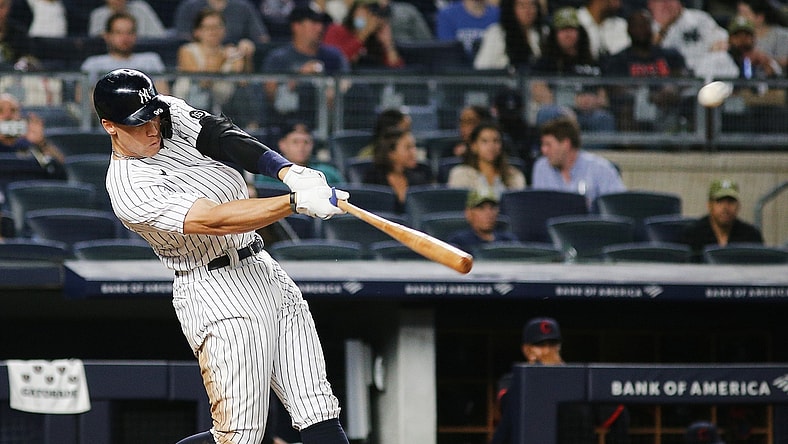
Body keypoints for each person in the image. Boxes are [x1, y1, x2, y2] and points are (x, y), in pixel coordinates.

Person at [92, 68, 351, 444]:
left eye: (153, 116)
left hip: (263, 269)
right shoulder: (129, 188)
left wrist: (287, 171)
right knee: (240, 435)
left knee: (319, 412)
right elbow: (215, 219)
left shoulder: (165, 115)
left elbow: (221, 135)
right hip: (214, 290)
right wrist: (294, 202)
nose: (152, 127)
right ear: (109, 126)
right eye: (138, 123)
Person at [491, 316, 629, 444]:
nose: (548, 351)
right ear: (527, 350)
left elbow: (618, 413)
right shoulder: (513, 380)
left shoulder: (578, 379)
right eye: (541, 345)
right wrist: (547, 372)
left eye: (552, 344)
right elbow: (510, 406)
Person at [260, 4, 350, 132]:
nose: (320, 28)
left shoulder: (334, 56)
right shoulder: (278, 58)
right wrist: (299, 77)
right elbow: (270, 94)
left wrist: (334, 88)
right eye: (313, 23)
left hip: (326, 122)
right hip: (287, 123)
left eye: (321, 23)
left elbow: (348, 81)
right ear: (296, 26)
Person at [530, 7, 616, 137]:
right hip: (560, 113)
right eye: (563, 30)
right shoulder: (545, 63)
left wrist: (594, 102)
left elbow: (604, 99)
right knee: (547, 113)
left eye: (572, 29)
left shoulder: (592, 61)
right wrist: (572, 102)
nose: (568, 34)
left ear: (579, 32)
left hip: (589, 114)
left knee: (604, 118)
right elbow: (539, 93)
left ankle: (597, 156)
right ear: (554, 34)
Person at [602, 9, 690, 133]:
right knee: (628, 109)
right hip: (633, 111)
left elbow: (684, 77)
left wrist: (672, 88)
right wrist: (645, 96)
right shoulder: (618, 60)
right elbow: (614, 87)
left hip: (669, 107)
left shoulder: (670, 55)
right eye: (636, 26)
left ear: (652, 27)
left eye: (645, 24)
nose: (641, 29)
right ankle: (633, 150)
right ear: (628, 30)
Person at [174, 8, 256, 119]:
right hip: (190, 109)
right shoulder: (187, 51)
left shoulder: (231, 52)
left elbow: (244, 83)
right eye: (208, 28)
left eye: (218, 27)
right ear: (197, 32)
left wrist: (246, 56)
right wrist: (222, 57)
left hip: (222, 111)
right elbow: (203, 81)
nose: (214, 31)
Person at [532, 116, 625, 209]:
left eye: (548, 145)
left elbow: (618, 207)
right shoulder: (541, 167)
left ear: (566, 144)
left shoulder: (602, 169)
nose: (544, 150)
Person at [680, 178, 763, 262]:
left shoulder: (751, 236)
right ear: (709, 205)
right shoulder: (692, 235)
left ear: (738, 205)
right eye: (719, 201)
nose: (725, 208)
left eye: (730, 201)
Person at [80, 12, 168, 90]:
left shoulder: (151, 61)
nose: (125, 38)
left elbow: (162, 96)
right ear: (107, 36)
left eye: (129, 32)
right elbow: (83, 99)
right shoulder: (93, 64)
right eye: (119, 32)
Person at [362, 127, 433, 213]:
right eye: (408, 148)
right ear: (391, 153)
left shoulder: (420, 178)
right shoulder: (372, 179)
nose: (414, 152)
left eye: (414, 147)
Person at [446, 121, 525, 199]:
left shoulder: (514, 175)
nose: (491, 146)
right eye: (485, 141)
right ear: (474, 146)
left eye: (496, 141)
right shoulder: (460, 174)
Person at [647, 0, 728, 75]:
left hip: (705, 67)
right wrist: (666, 26)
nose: (666, 5)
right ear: (650, 5)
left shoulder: (699, 18)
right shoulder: (647, 25)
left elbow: (722, 39)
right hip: (674, 73)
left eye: (669, 0)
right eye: (660, 2)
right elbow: (650, 50)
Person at [256, 122, 345, 187]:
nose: (301, 147)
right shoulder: (269, 174)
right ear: (282, 144)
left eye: (306, 142)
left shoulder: (329, 174)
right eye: (295, 142)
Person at [322, 0, 405, 69]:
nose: (369, 16)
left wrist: (388, 45)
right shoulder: (336, 30)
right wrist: (363, 35)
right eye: (366, 10)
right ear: (355, 9)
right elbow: (333, 62)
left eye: (373, 13)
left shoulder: (376, 39)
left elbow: (398, 74)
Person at [0, 92, 66, 179]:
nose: (7, 116)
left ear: (20, 116)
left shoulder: (32, 146)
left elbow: (60, 173)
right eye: (0, 110)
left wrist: (41, 143)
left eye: (13, 110)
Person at [473, 0, 545, 71]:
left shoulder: (543, 33)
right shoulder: (497, 33)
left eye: (532, 5)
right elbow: (481, 68)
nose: (528, 10)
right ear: (511, 8)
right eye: (522, 6)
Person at [446, 190, 518, 252]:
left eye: (492, 208)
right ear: (469, 213)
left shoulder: (508, 241)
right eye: (481, 208)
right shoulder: (459, 242)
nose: (488, 213)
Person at [174, 0, 271, 44]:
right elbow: (183, 38)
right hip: (199, 58)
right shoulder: (189, 7)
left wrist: (247, 46)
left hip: (235, 56)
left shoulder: (244, 7)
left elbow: (262, 38)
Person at [435, 0, 500, 59]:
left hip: (491, 66)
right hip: (459, 68)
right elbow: (447, 51)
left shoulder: (499, 15)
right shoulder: (447, 15)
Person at [737, 0, 788, 72]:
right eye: (739, 13)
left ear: (759, 17)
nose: (741, 18)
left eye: (745, 14)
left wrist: (765, 60)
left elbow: (785, 61)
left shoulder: (782, 35)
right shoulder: (737, 37)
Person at [87, 0, 167, 38]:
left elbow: (160, 38)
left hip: (141, 56)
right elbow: (94, 45)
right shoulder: (97, 15)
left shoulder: (141, 8)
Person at [0, 0, 36, 71]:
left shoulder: (18, 34)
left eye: (1, 7)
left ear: (8, 8)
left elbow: (31, 59)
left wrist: (27, 63)